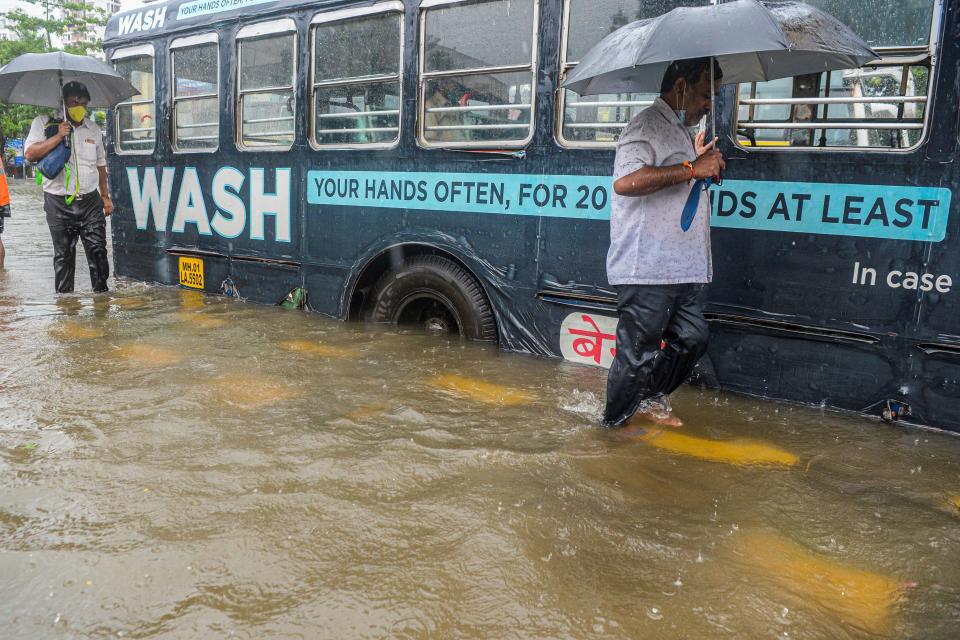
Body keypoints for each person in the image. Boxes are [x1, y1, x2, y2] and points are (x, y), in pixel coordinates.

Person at [602, 58, 726, 429]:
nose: (709, 105)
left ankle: (647, 400)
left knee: (692, 338)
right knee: (637, 354)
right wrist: (691, 169)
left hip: (680, 267)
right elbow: (625, 182)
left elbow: (678, 178)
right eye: (706, 95)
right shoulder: (646, 125)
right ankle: (613, 428)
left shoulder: (681, 130)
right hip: (647, 267)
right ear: (681, 87)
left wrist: (699, 161)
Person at [24, 81, 114, 293]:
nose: (78, 105)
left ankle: (101, 303)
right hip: (58, 202)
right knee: (64, 256)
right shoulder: (44, 123)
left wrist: (106, 196)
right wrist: (58, 136)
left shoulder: (93, 128)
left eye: (83, 102)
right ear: (63, 102)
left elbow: (101, 166)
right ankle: (67, 311)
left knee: (99, 252)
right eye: (74, 101)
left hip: (90, 201)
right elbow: (30, 154)